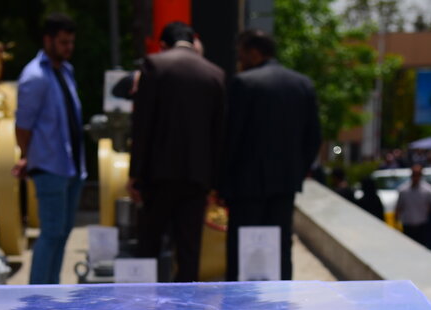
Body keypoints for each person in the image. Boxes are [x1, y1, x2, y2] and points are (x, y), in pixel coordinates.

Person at [128, 21, 225, 282]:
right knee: (189, 252)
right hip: (197, 178)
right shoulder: (215, 74)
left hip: (157, 175)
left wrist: (135, 174)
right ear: (194, 40)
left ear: (163, 45)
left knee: (149, 245)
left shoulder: (154, 65)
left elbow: (142, 125)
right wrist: (215, 183)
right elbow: (218, 135)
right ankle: (186, 305)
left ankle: (143, 303)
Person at [220, 29, 320, 281]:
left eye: (241, 54)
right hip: (285, 184)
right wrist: (297, 171)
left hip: (245, 186)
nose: (239, 60)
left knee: (242, 249)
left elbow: (231, 139)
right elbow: (313, 138)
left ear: (254, 53)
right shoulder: (302, 84)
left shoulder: (243, 83)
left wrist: (222, 182)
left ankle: (241, 299)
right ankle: (282, 296)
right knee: (281, 246)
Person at [13, 13, 85, 284]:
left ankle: (50, 291)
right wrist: (27, 156)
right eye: (63, 42)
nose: (69, 48)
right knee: (52, 233)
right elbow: (23, 126)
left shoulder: (66, 71)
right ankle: (37, 295)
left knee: (62, 233)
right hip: (49, 166)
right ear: (48, 40)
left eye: (71, 42)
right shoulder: (35, 76)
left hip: (71, 166)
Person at [395, 164, 431, 249]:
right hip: (407, 227)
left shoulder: (429, 191)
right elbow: (399, 208)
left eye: (418, 174)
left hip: (423, 227)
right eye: (414, 174)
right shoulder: (403, 190)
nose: (416, 177)